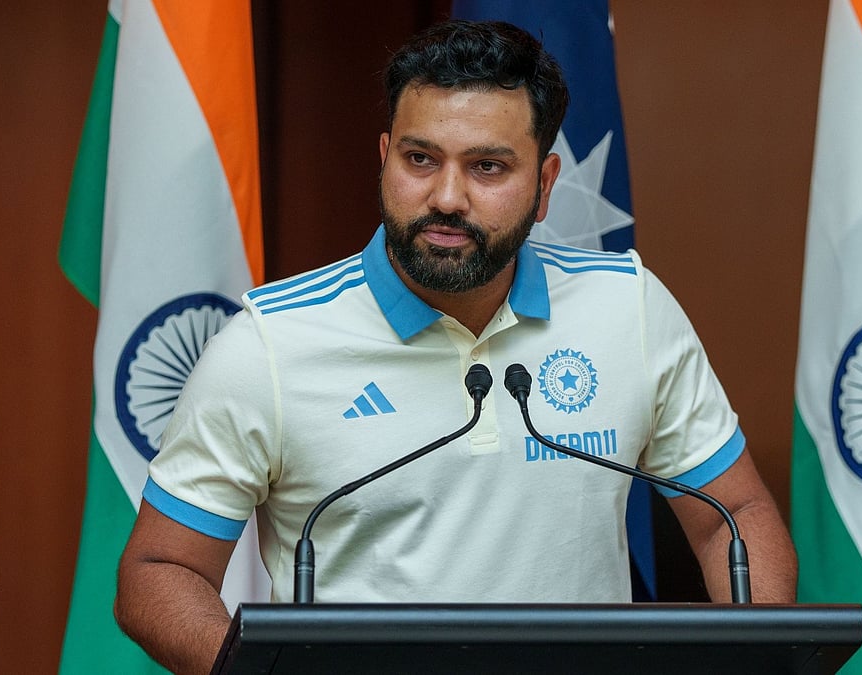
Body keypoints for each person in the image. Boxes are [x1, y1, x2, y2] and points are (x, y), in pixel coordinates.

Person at [115, 19, 797, 673]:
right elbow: (159, 571)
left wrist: (754, 659)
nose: (446, 196)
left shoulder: (630, 306)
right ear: (384, 160)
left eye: (488, 167)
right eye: (420, 159)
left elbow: (733, 515)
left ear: (545, 186)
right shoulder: (270, 343)